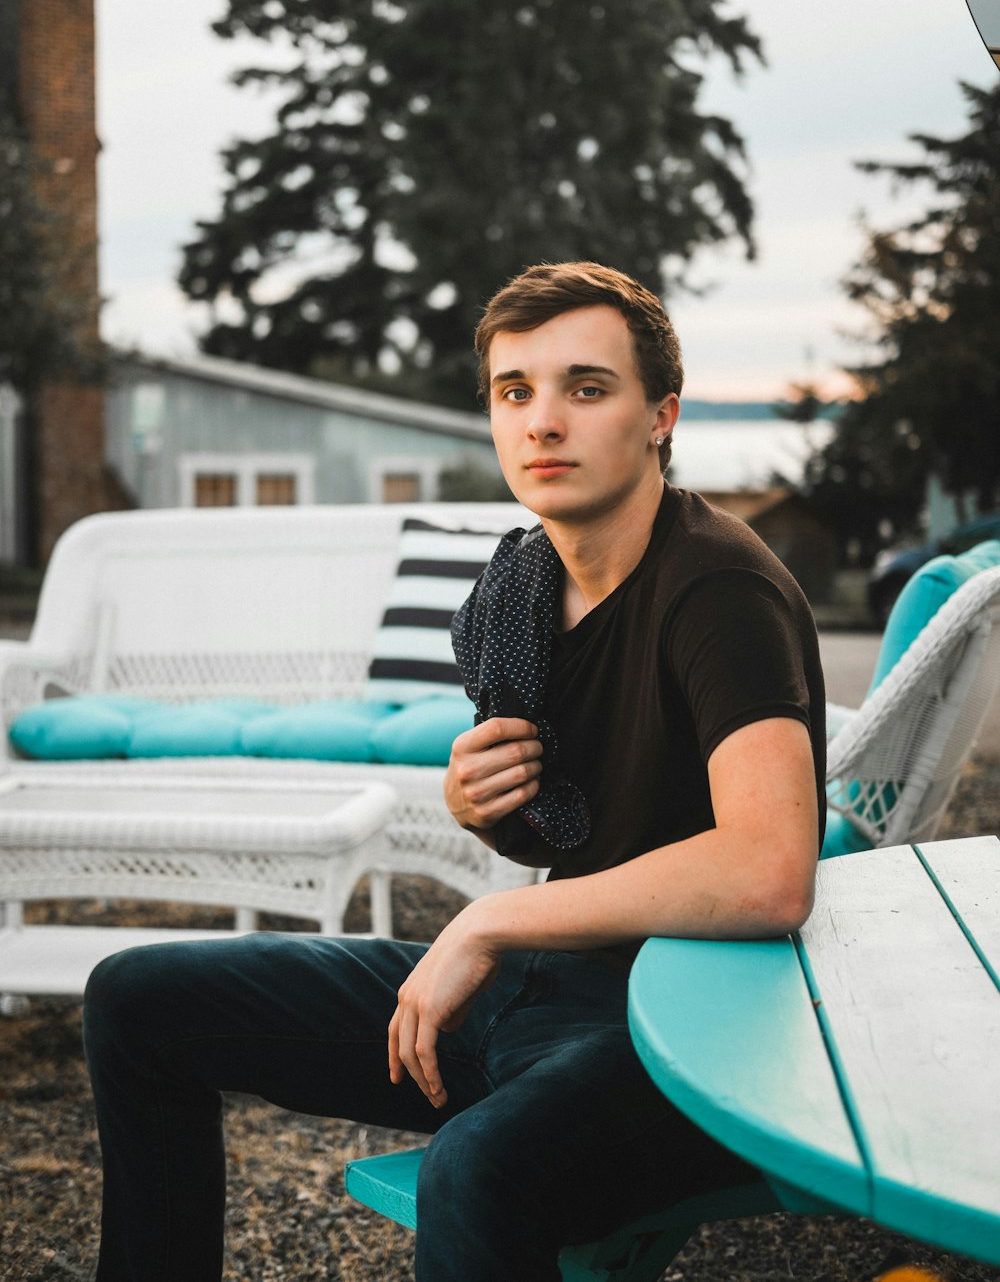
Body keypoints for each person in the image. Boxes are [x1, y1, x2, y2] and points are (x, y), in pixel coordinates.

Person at [83, 260, 826, 1282]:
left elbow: (769, 869)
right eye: (514, 392)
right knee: (136, 998)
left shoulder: (719, 589)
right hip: (537, 990)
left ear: (661, 415)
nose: (542, 422)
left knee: (472, 1169)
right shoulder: (527, 585)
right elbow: (580, 812)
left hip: (681, 1031)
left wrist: (486, 918)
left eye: (586, 388)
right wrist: (474, 801)